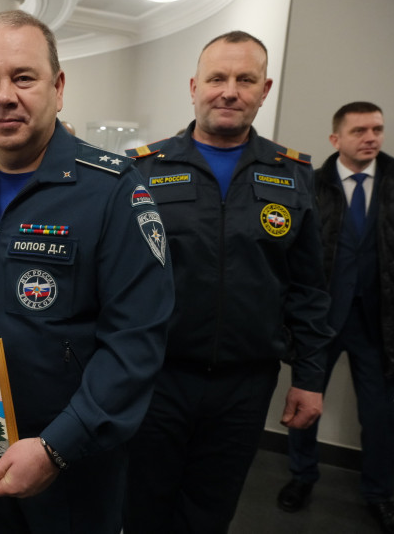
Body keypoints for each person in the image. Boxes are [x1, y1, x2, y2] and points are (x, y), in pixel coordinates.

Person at [0, 10, 174, 533]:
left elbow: (136, 340)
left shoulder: (112, 190)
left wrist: (57, 446)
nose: (3, 95)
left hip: (73, 459)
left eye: (23, 77)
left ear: (58, 88)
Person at [124, 31, 333, 534]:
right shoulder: (143, 170)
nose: (229, 91)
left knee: (211, 510)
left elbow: (309, 287)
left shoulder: (293, 175)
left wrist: (309, 377)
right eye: (217, 78)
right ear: (194, 86)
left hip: (245, 384)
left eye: (246, 80)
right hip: (157, 379)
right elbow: (117, 279)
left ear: (265, 90)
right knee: (141, 507)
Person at [277, 101, 394, 532]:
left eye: (377, 129)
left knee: (381, 417)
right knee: (305, 403)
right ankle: (301, 476)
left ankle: (380, 494)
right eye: (359, 131)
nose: (371, 138)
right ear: (335, 139)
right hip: (321, 321)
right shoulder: (311, 185)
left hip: (378, 324)